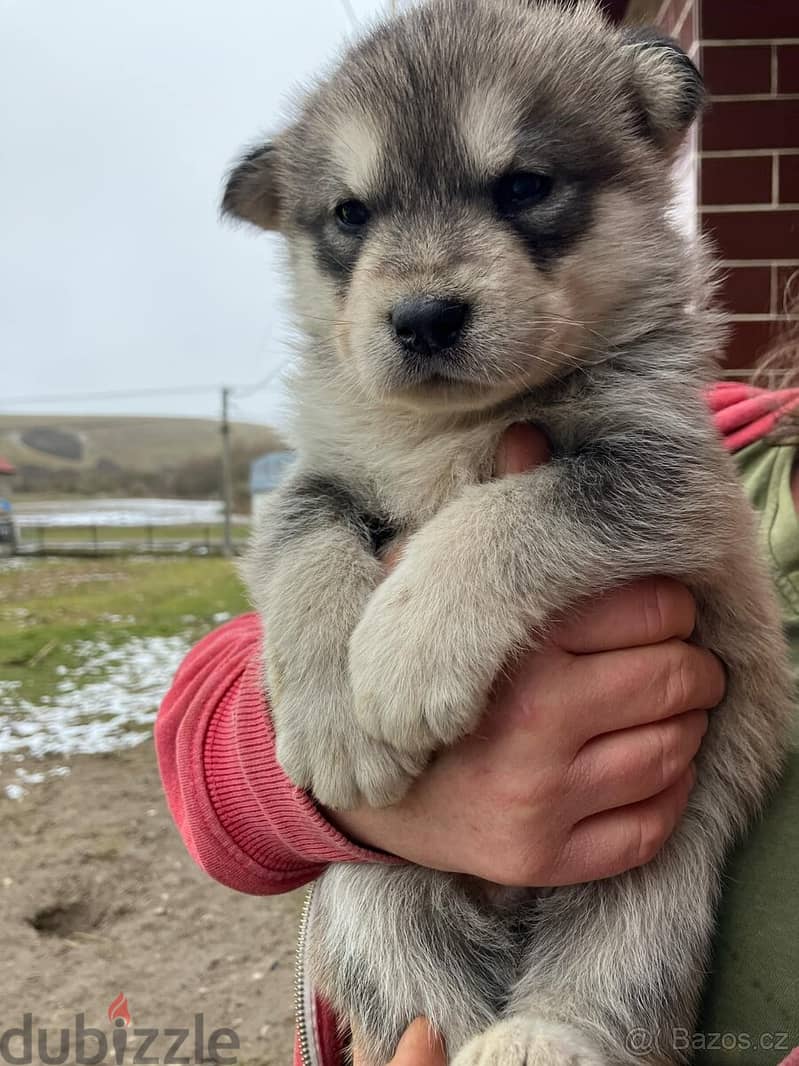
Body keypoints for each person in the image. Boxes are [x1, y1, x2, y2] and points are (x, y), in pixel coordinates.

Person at [155, 380, 799, 1066]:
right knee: (377, 920)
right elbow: (206, 746)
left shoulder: (650, 431)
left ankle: (575, 1027)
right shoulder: (730, 429)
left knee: (657, 885)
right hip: (413, 985)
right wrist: (320, 748)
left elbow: (641, 490)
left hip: (620, 963)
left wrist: (479, 568)